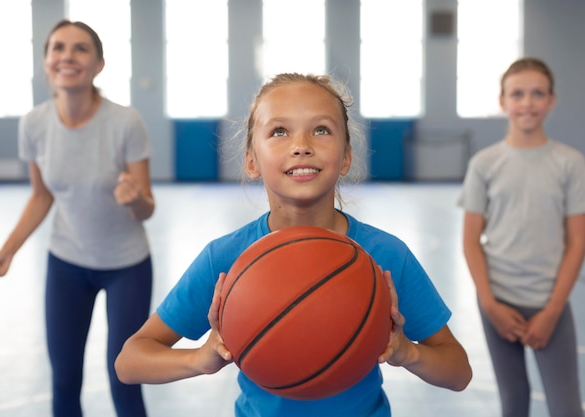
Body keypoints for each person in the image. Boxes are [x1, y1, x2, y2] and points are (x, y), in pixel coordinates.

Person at [115, 72, 472, 417]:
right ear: (251, 160)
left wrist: (407, 352)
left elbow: (458, 371)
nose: (302, 146)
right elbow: (131, 361)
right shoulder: (226, 259)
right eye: (279, 131)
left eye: (321, 129)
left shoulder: (385, 255)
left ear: (346, 156)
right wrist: (200, 358)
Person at [0, 20, 154, 417]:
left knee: (124, 378)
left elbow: (147, 206)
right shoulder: (35, 124)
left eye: (80, 49)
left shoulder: (126, 122)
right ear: (46, 62)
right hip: (66, 264)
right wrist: (8, 251)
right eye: (58, 48)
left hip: (126, 266)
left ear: (99, 65)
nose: (67, 56)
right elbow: (41, 196)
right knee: (64, 380)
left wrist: (134, 201)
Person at [458, 57, 585, 417]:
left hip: (549, 304)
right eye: (517, 94)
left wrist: (551, 311)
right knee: (513, 401)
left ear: (551, 100)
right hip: (498, 304)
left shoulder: (570, 163)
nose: (528, 102)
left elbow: (577, 243)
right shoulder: (484, 165)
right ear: (503, 102)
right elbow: (471, 240)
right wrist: (490, 305)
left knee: (566, 407)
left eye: (538, 93)